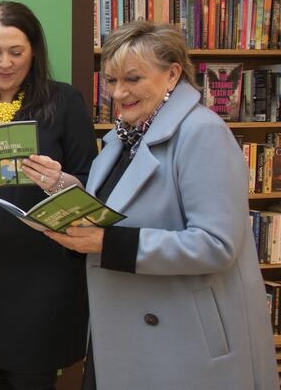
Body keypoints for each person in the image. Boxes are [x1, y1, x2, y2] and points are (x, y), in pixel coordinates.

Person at [45, 20, 279, 389]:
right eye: (110, 80)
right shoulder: (124, 135)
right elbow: (115, 207)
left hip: (182, 346)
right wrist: (63, 188)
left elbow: (216, 245)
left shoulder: (203, 133)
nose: (119, 93)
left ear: (172, 75)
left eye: (133, 79)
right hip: (121, 335)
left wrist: (109, 244)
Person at [0, 1, 96, 390]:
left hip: (43, 274)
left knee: (33, 377)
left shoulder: (64, 102)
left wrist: (58, 180)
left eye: (16, 52)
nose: (5, 63)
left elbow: (91, 185)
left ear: (34, 52)